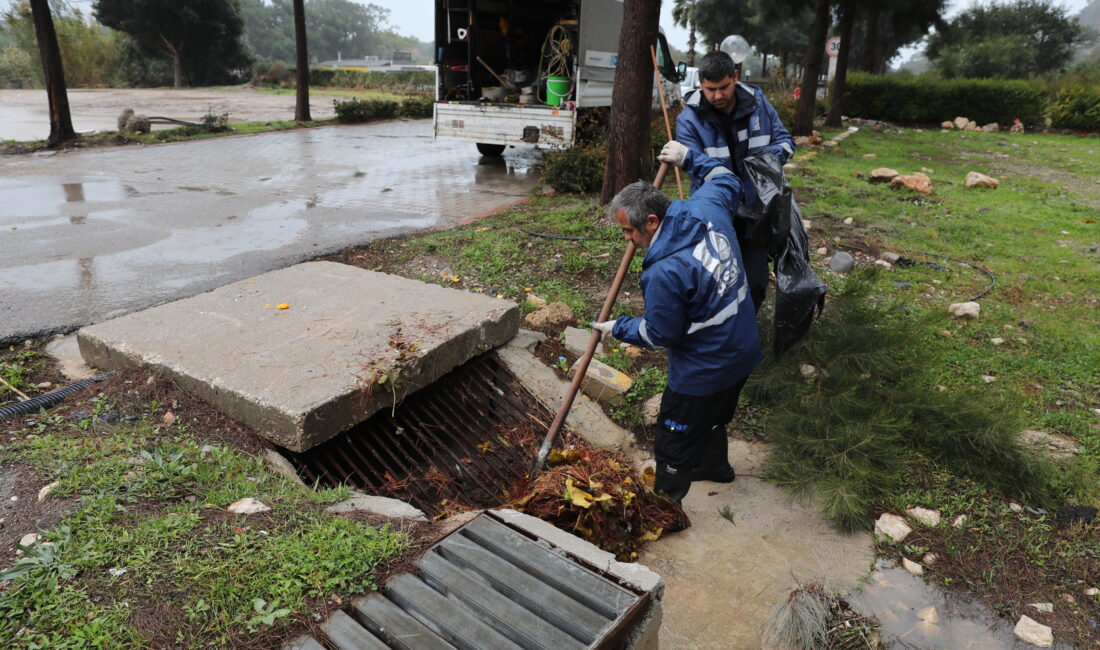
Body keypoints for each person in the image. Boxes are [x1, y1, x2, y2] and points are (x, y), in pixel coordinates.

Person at [590, 143, 762, 503]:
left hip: (705, 367)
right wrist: (689, 158)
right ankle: (713, 467)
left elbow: (660, 334)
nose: (628, 240)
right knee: (714, 416)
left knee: (672, 434)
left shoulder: (666, 271)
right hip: (743, 350)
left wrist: (618, 327)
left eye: (629, 231)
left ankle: (666, 509)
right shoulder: (706, 207)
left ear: (651, 221)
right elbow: (725, 176)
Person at [677, 50, 796, 311]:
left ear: (735, 77)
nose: (718, 95)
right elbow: (697, 167)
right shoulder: (689, 119)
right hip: (715, 214)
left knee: (755, 284)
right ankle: (716, 335)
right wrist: (688, 159)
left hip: (758, 213)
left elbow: (786, 142)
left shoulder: (759, 104)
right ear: (700, 84)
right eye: (710, 89)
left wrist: (764, 161)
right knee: (715, 281)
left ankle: (745, 335)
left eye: (724, 87)